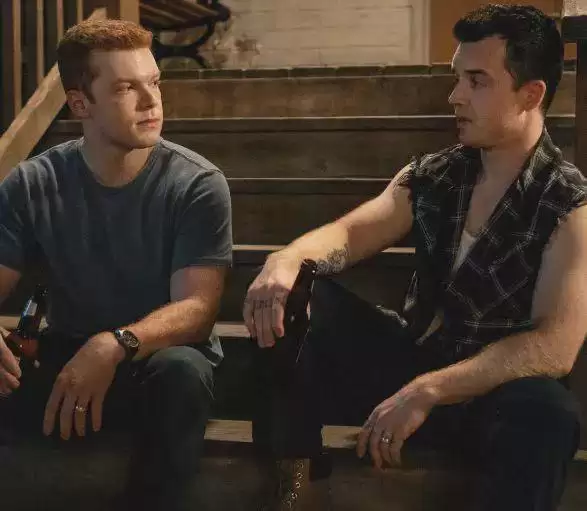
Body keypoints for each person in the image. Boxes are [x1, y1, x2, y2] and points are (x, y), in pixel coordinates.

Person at [243, 5, 587, 511]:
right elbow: (349, 233)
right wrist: (286, 260)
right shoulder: (436, 174)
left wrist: (430, 390)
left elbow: (554, 347)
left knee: (549, 413)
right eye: (457, 78)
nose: (455, 96)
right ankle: (297, 484)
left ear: (530, 94)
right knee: (288, 294)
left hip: (486, 397)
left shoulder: (568, 202)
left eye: (477, 81)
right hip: (407, 368)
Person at [0, 18, 232, 511]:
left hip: (152, 365)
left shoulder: (197, 184)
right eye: (127, 88)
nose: (152, 102)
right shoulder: (32, 183)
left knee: (183, 371)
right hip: (66, 357)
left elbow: (197, 310)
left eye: (154, 83)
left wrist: (115, 344)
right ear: (80, 103)